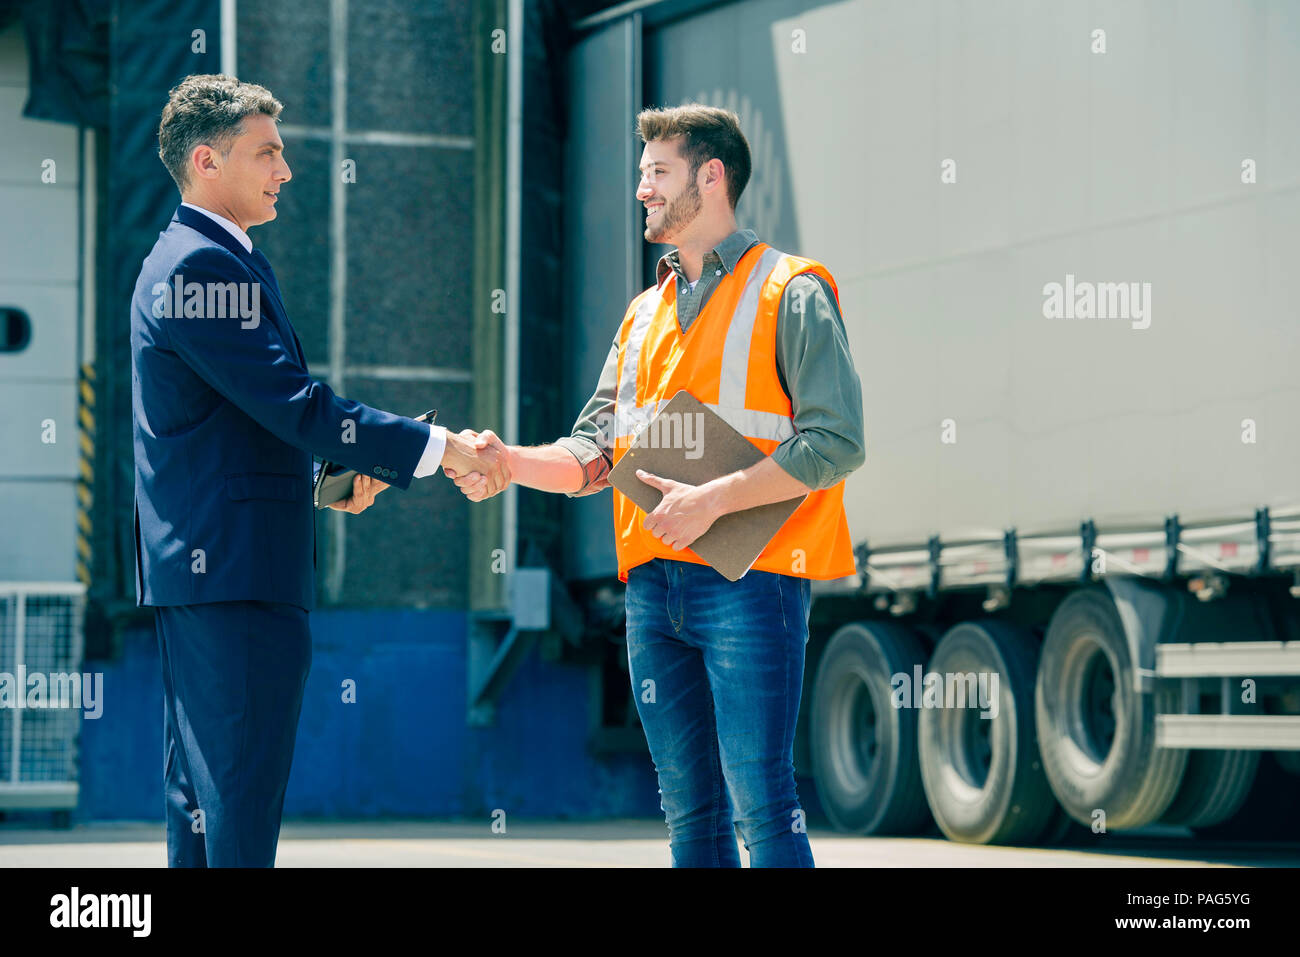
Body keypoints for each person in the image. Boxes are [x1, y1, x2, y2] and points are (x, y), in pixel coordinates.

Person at [447, 104, 864, 867]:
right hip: (652, 590)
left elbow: (836, 442)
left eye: (656, 173)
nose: (641, 189)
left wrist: (713, 500)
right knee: (690, 814)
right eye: (641, 174)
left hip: (751, 583)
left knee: (764, 802)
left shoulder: (792, 291)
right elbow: (593, 451)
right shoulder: (643, 315)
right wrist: (507, 461)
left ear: (711, 177)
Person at [131, 74, 506, 867]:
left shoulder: (214, 259)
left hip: (221, 571)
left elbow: (226, 426)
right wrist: (440, 451)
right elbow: (295, 404)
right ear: (206, 160)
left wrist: (313, 486)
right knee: (235, 799)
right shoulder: (200, 267)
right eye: (266, 152)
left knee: (206, 800)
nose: (286, 170)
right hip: (233, 579)